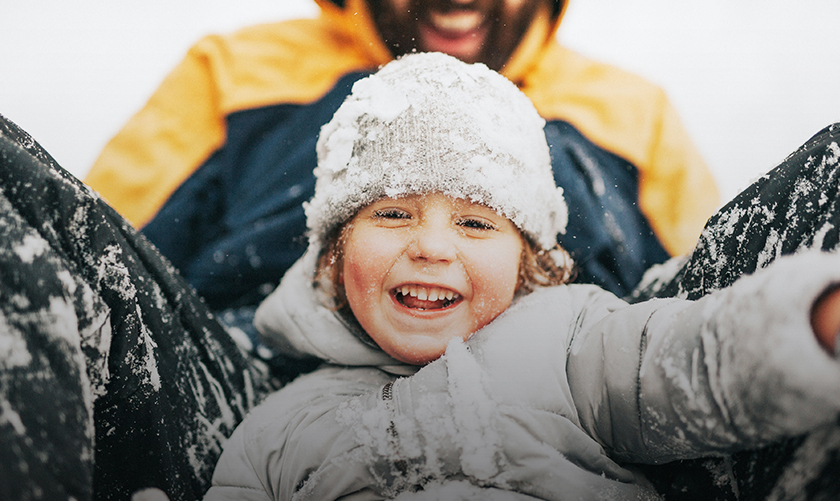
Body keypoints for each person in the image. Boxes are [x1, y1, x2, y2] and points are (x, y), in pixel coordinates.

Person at [204, 53, 840, 500]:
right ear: (333, 258)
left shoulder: (569, 344)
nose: (430, 246)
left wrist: (812, 324)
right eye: (393, 214)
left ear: (528, 262)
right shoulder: (277, 427)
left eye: (476, 225)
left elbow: (691, 362)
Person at [82, 1, 720, 356]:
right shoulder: (235, 75)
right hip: (250, 372)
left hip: (565, 388)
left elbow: (702, 309)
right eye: (393, 210)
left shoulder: (628, 116)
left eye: (472, 217)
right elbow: (96, 265)